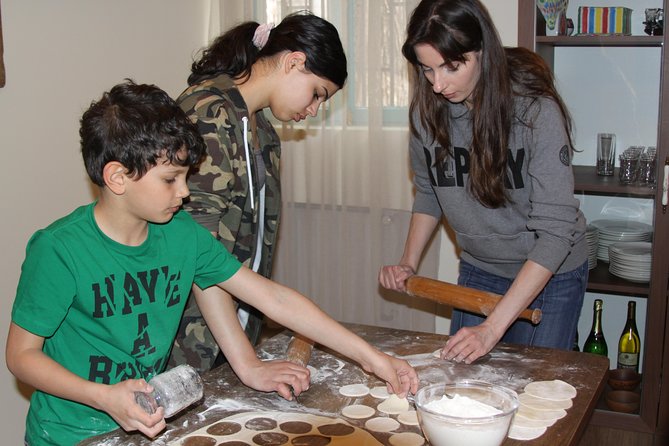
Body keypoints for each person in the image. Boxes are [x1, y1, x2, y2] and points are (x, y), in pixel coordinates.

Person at [5, 80, 418, 446]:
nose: (184, 192)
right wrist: (104, 397)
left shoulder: (180, 234)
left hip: (146, 425)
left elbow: (275, 300)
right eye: (171, 179)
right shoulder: (59, 249)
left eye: (186, 176)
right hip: (69, 435)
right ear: (117, 177)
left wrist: (372, 359)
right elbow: (22, 356)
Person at [379, 0, 588, 364]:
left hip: (550, 274)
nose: (438, 84)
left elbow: (556, 232)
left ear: (483, 53)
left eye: (451, 66)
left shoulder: (535, 112)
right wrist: (408, 262)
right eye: (426, 70)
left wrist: (492, 328)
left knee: (536, 390)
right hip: (481, 269)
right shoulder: (426, 113)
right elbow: (430, 191)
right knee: (466, 386)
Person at [169, 11, 347, 372]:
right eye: (317, 94)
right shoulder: (209, 115)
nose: (313, 110)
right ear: (294, 61)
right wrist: (246, 361)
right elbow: (201, 256)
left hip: (234, 334)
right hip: (188, 339)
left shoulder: (262, 131)